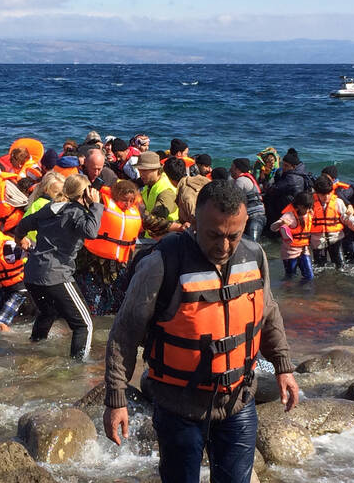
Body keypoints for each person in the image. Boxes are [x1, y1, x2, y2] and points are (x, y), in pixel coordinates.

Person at [103, 180, 299, 483]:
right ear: (194, 221)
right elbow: (124, 335)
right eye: (214, 235)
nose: (223, 246)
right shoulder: (162, 264)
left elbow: (268, 313)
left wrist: (283, 367)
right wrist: (116, 398)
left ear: (245, 223)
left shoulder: (254, 255)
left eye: (233, 236)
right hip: (178, 407)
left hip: (239, 401)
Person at [14, 174, 104, 360]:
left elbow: (23, 224)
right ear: (84, 194)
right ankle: (78, 368)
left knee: (48, 312)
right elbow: (91, 232)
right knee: (84, 325)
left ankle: (34, 349)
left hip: (32, 274)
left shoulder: (50, 208)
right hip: (56, 275)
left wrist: (20, 238)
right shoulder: (76, 212)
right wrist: (95, 205)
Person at [76, 180, 141, 316]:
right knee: (92, 304)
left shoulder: (135, 211)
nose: (128, 204)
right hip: (93, 264)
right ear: (116, 196)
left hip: (118, 267)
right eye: (124, 200)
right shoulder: (102, 201)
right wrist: (95, 187)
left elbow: (152, 222)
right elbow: (85, 195)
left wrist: (176, 227)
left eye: (131, 201)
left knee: (118, 304)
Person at [310, 175, 354, 268]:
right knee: (319, 266)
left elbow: (347, 217)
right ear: (317, 193)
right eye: (323, 195)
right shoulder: (310, 204)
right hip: (317, 240)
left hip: (335, 238)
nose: (326, 197)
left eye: (328, 193)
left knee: (340, 265)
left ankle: (340, 281)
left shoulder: (338, 202)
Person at [138, 152, 185, 238]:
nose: (140, 174)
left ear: (157, 170)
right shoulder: (149, 184)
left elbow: (156, 218)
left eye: (144, 170)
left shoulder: (166, 191)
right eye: (139, 170)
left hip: (167, 240)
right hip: (151, 237)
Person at [270, 191, 314, 281]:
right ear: (299, 205)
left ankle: (303, 293)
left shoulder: (310, 214)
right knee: (290, 276)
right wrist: (281, 223)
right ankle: (289, 293)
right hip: (289, 252)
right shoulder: (289, 216)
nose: (307, 210)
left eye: (309, 207)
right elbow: (273, 228)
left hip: (304, 250)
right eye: (305, 207)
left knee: (309, 276)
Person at [264, 148, 312, 226]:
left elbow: (273, 189)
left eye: (286, 166)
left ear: (293, 166)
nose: (283, 167)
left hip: (290, 206)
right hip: (295, 203)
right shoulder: (301, 172)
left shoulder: (291, 178)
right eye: (283, 164)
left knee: (269, 198)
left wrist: (264, 180)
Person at [22, 171, 66, 243]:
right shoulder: (43, 206)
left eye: (63, 192)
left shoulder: (38, 203)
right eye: (56, 192)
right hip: (39, 245)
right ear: (46, 190)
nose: (60, 196)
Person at [230, 158, 266, 241]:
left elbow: (233, 199)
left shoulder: (241, 180)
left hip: (255, 217)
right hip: (259, 215)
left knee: (252, 242)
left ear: (237, 169)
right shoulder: (247, 179)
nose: (230, 169)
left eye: (232, 167)